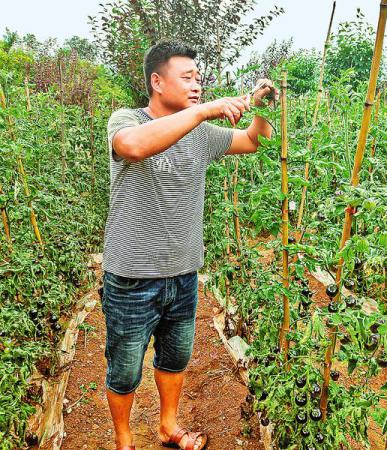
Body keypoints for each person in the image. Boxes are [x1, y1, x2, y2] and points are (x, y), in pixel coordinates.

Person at [100, 39, 277, 450]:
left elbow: (254, 142)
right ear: (157, 82)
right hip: (131, 276)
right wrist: (203, 110)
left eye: (199, 78)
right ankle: (124, 441)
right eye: (187, 77)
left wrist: (261, 110)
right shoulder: (126, 120)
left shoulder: (203, 134)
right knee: (125, 371)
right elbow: (133, 146)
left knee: (174, 359)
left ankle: (167, 426)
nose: (197, 84)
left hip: (183, 273)